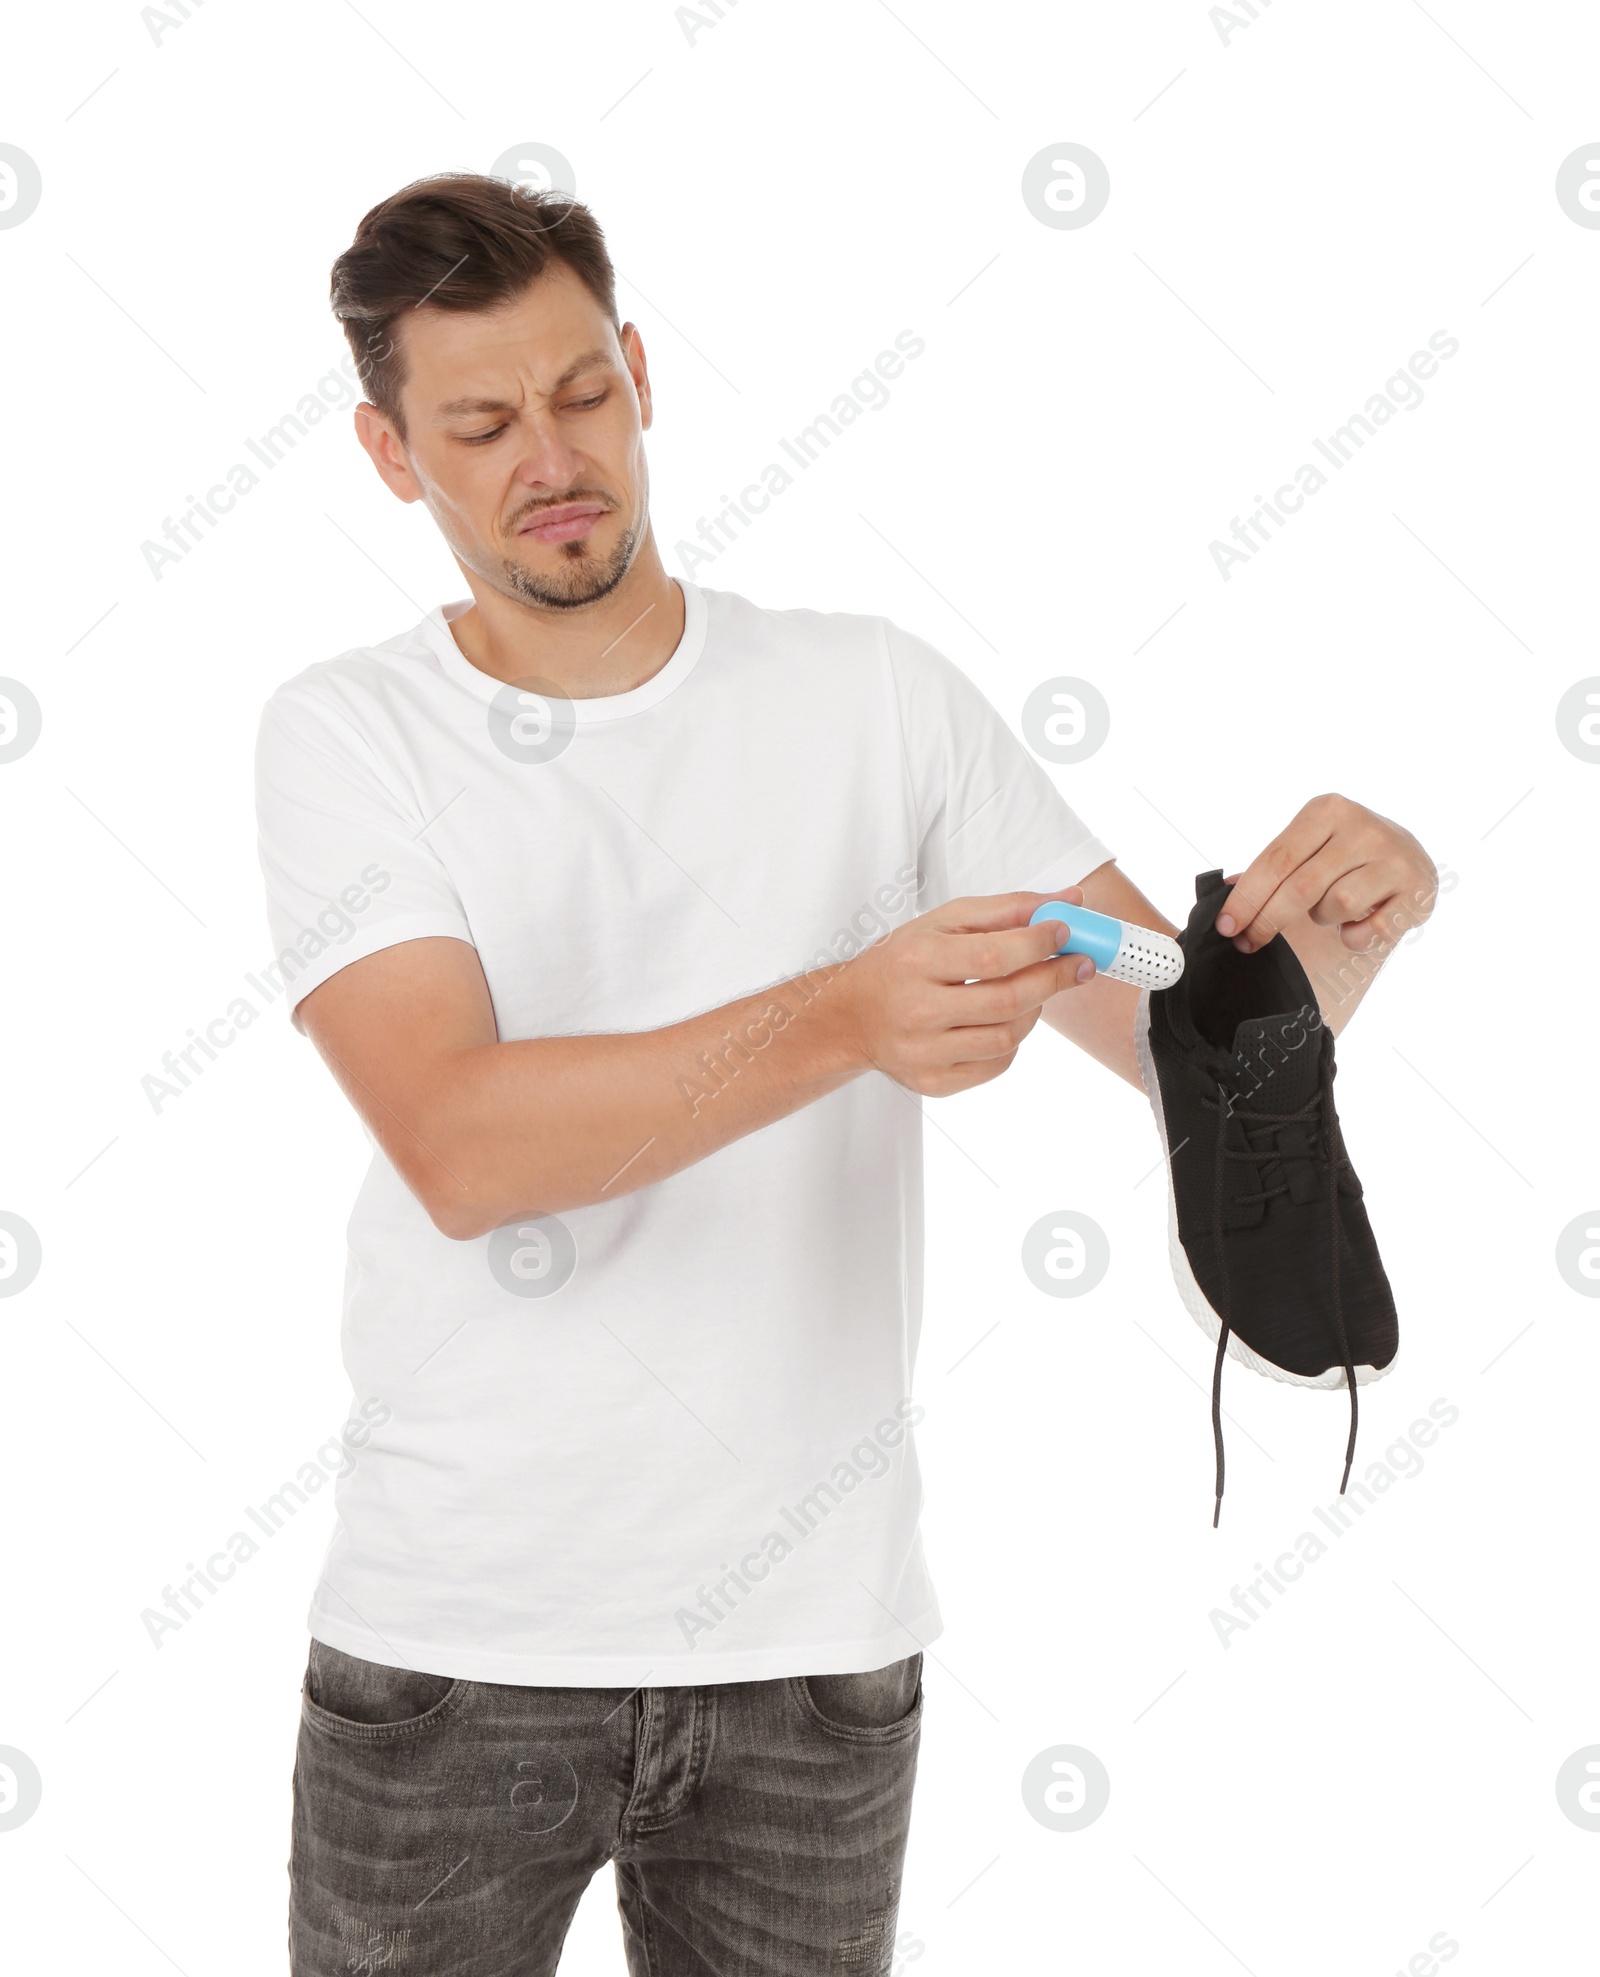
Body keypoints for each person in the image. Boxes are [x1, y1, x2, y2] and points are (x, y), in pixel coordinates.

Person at [255, 172, 1437, 1975]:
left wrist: (1322, 972)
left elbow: (1162, 1026)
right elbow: (459, 1141)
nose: (549, 455)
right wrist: (845, 1016)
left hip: (816, 1666)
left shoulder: (878, 700)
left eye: (580, 392)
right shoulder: (349, 733)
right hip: (458, 1654)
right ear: (390, 452)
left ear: (641, 372)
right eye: (480, 423)